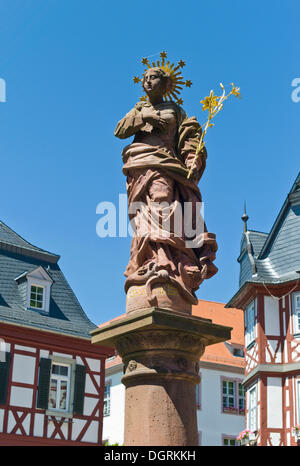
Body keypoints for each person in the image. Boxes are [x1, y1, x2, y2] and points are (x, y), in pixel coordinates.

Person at [115, 67, 217, 305]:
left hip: (165, 164)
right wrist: (144, 118)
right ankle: (151, 258)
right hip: (138, 165)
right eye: (145, 79)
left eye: (153, 78)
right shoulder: (140, 109)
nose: (147, 82)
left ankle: (166, 259)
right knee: (141, 215)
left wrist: (193, 158)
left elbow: (190, 138)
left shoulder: (175, 110)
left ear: (166, 84)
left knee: (162, 203)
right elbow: (119, 130)